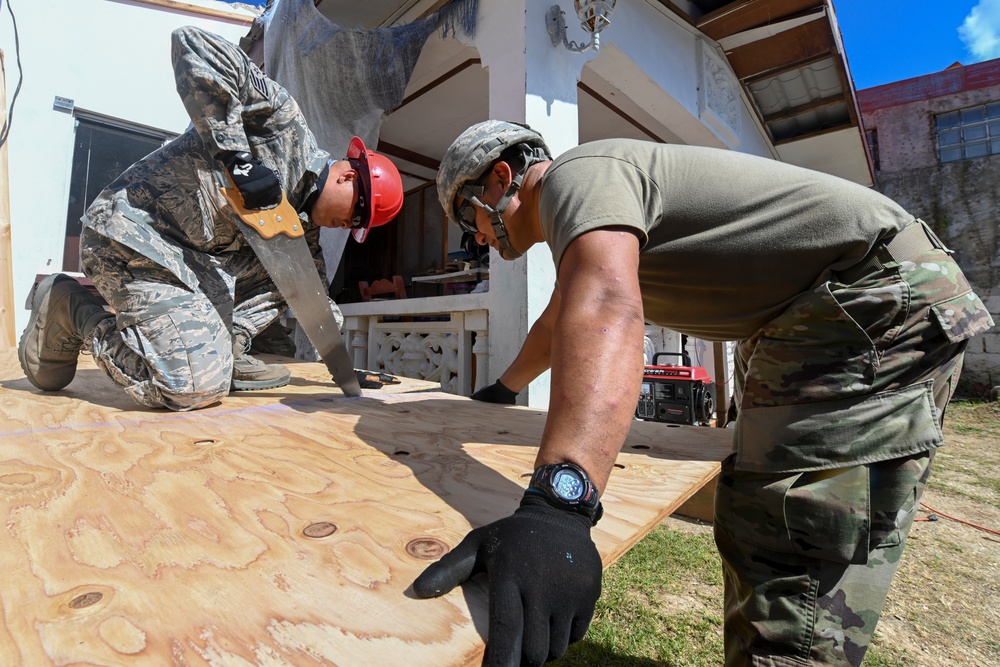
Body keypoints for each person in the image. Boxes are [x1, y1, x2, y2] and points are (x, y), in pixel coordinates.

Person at [412, 120, 994, 666]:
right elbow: (560, 317)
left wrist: (559, 508)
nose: (479, 237)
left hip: (864, 300)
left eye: (469, 218)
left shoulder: (576, 176)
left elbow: (607, 307)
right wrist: (502, 390)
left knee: (787, 536)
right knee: (755, 512)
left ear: (500, 178)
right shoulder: (591, 209)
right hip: (824, 308)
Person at [18, 26, 404, 411]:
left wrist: (346, 373)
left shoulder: (304, 231)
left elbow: (317, 303)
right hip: (133, 238)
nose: (348, 226)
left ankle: (226, 346)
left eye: (357, 227)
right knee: (191, 389)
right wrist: (239, 160)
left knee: (290, 279)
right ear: (347, 176)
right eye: (357, 214)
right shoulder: (281, 125)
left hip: (190, 265)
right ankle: (70, 308)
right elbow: (193, 42)